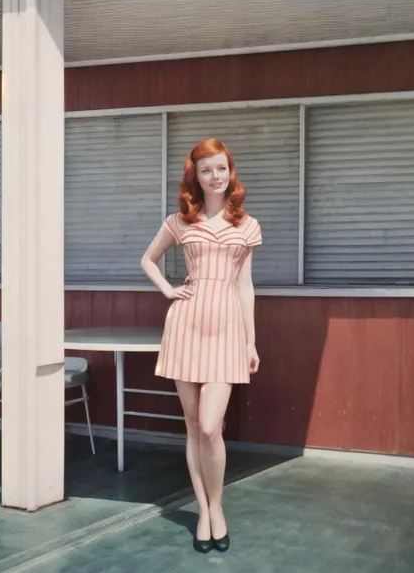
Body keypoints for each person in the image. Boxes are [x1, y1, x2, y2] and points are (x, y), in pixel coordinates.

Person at [141, 138, 262, 554]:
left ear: (231, 173)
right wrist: (167, 291)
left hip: (227, 328)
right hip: (185, 326)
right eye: (206, 170)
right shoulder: (180, 221)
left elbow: (245, 287)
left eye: (221, 169)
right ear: (196, 175)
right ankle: (205, 511)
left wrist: (251, 340)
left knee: (211, 426)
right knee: (193, 428)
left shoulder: (246, 224)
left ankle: (218, 505)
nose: (215, 177)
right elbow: (147, 260)